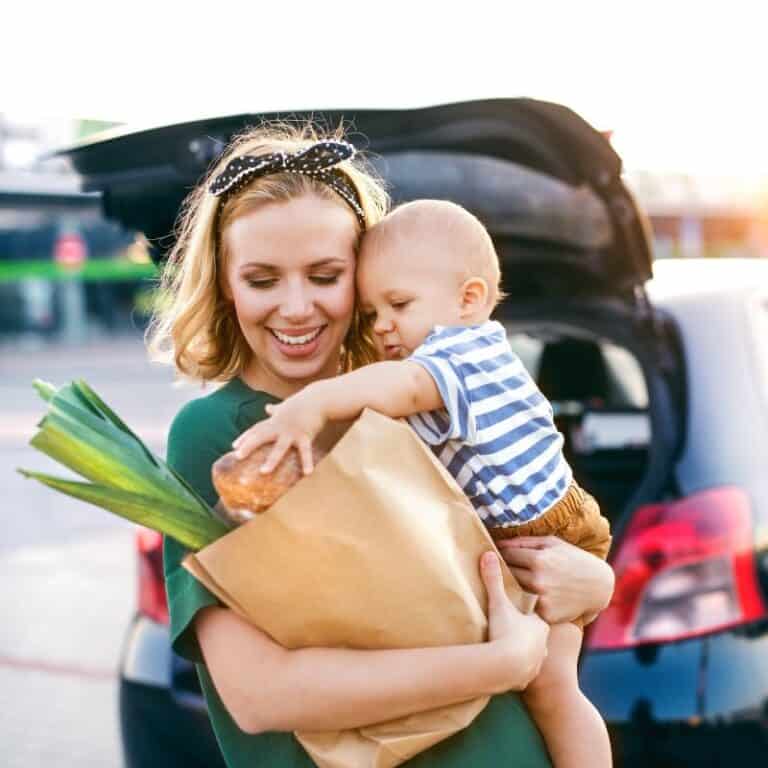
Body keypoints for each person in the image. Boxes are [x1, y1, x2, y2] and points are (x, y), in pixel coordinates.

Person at [148, 123, 615, 768]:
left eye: (324, 275)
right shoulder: (222, 435)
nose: (295, 307)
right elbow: (259, 695)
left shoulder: (405, 407)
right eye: (262, 280)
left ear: (364, 279)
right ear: (226, 287)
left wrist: (595, 581)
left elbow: (505, 551)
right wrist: (498, 663)